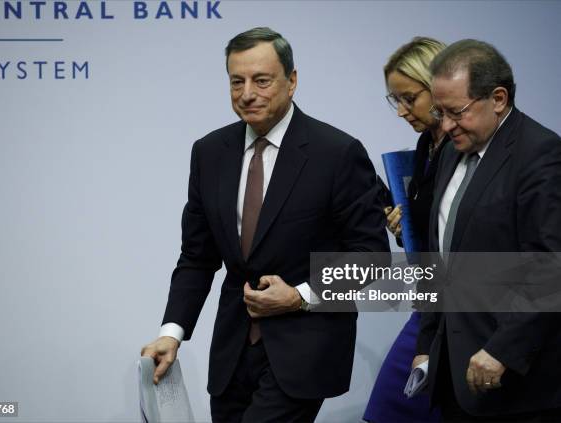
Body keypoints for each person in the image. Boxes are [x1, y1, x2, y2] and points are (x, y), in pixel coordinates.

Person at [140, 27, 390, 423]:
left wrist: (301, 295)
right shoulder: (209, 152)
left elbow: (372, 258)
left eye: (261, 80)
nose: (247, 93)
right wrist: (171, 332)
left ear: (291, 82)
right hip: (232, 352)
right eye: (236, 81)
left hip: (305, 349)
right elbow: (197, 257)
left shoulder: (337, 153)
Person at [414, 39, 561, 421]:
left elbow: (550, 268)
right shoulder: (451, 150)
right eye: (439, 111)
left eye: (456, 112)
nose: (445, 125)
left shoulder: (541, 155)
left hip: (515, 383)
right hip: (452, 372)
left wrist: (503, 350)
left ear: (498, 99)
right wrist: (427, 342)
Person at [364, 36, 446, 423]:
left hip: (466, 311)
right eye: (394, 100)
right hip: (430, 306)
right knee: (386, 410)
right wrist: (403, 228)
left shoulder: (470, 151)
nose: (400, 111)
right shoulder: (424, 146)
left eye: (408, 98)